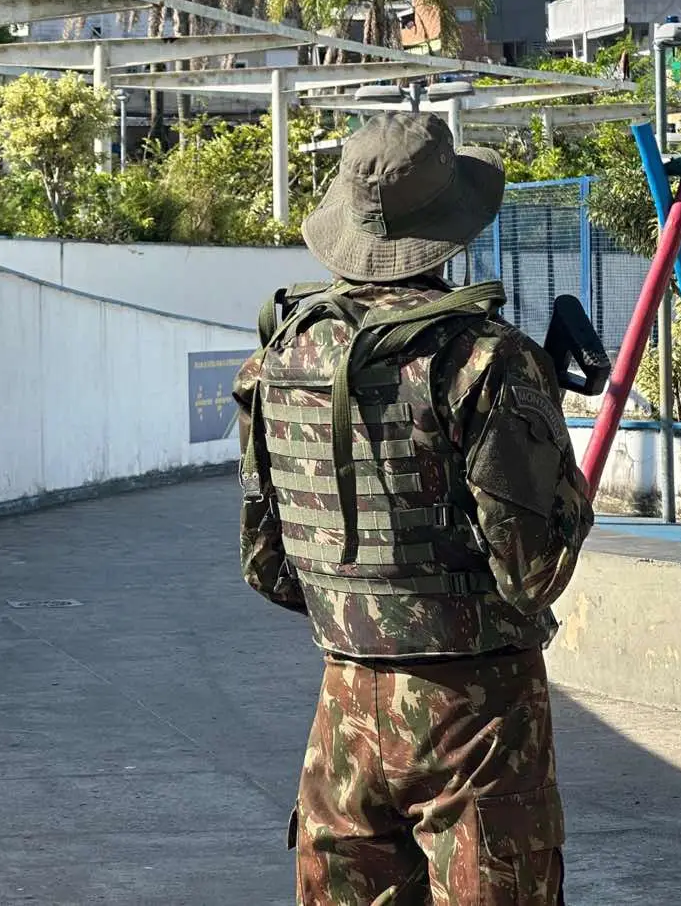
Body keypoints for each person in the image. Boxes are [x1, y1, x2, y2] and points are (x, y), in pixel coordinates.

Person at [234, 112, 594, 906]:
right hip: (477, 714)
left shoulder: (280, 350)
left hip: (343, 707)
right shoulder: (486, 359)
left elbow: (265, 566)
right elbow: (532, 572)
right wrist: (563, 480)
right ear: (451, 229)